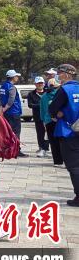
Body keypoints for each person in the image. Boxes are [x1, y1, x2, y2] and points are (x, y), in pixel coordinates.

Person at [48, 64, 79, 206]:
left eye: (59, 73)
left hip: (69, 132)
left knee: (73, 166)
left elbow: (52, 108)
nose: (57, 76)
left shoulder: (65, 90)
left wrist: (59, 114)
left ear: (67, 75)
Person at [0, 69, 26, 157]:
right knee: (16, 132)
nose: (17, 77)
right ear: (13, 77)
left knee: (8, 132)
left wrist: (2, 110)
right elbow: (11, 100)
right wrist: (5, 108)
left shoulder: (3, 86)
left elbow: (0, 99)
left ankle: (8, 149)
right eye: (16, 76)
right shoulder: (11, 87)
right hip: (14, 113)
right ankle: (16, 150)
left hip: (6, 113)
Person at [40, 78, 63, 167]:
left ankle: (57, 161)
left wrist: (44, 122)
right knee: (62, 141)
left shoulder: (44, 96)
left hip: (48, 121)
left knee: (53, 142)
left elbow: (42, 111)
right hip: (59, 121)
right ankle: (64, 159)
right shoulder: (60, 95)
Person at [28, 76, 49, 158]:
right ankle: (41, 147)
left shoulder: (47, 92)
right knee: (40, 133)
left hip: (47, 117)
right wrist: (41, 105)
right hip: (37, 117)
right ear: (35, 84)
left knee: (48, 133)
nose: (40, 84)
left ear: (44, 84)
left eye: (41, 83)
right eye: (38, 83)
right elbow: (30, 105)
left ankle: (45, 148)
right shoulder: (31, 94)